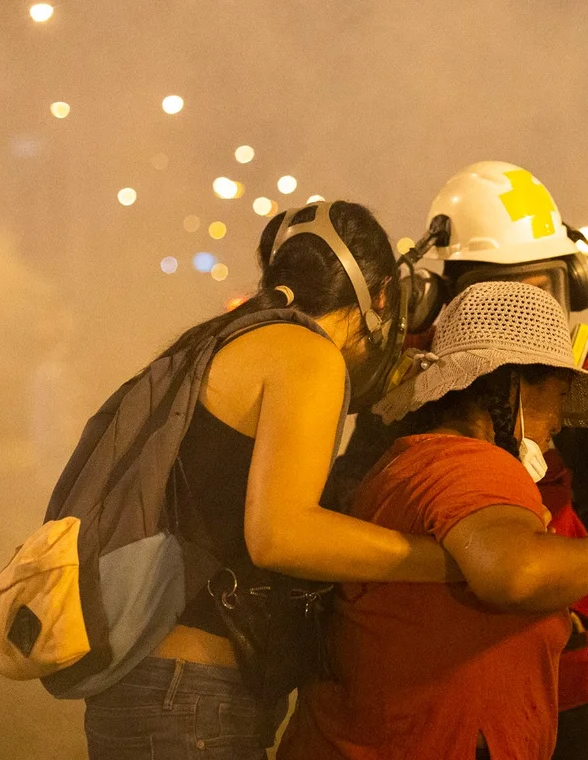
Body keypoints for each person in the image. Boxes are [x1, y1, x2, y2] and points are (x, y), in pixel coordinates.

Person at [325, 161, 588, 760]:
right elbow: (350, 510)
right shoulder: (413, 391)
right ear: (441, 297)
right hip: (445, 676)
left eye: (538, 291)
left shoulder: (577, 374)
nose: (524, 315)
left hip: (566, 675)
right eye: (498, 293)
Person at [82, 201, 458, 760]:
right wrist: (449, 562)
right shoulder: (307, 353)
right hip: (190, 694)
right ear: (381, 295)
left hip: (150, 686)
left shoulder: (230, 338)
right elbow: (281, 533)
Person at [278, 281, 588, 760]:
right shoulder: (472, 464)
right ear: (512, 382)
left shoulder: (424, 457)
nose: (561, 419)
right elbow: (515, 574)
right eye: (560, 388)